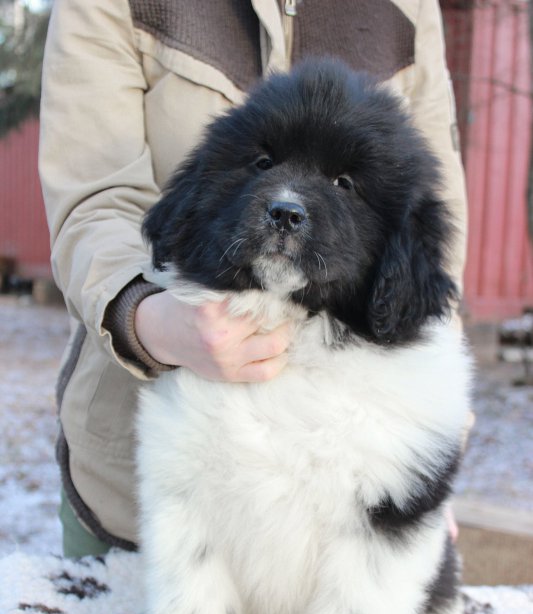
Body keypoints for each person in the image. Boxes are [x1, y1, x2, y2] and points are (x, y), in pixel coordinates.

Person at [39, 0, 467, 558]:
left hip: (347, 491)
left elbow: (425, 233)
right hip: (150, 482)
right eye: (267, 167)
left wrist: (428, 456)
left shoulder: (408, 8)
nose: (288, 201)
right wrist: (149, 319)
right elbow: (94, 199)